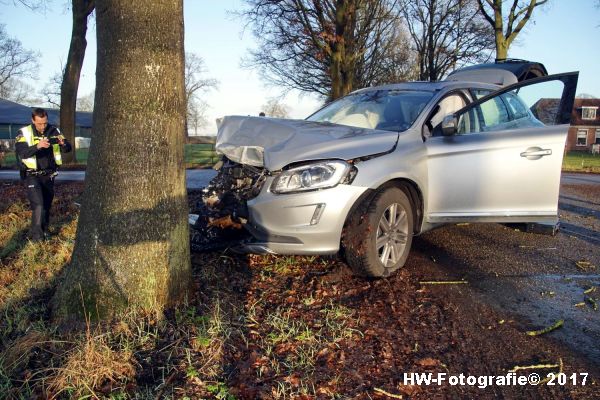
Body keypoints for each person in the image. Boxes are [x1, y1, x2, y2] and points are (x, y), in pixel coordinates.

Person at [15, 108, 72, 241]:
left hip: (49, 175)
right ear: (33, 120)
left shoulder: (54, 130)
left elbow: (68, 148)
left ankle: (44, 230)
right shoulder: (24, 133)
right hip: (32, 175)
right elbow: (23, 153)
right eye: (39, 123)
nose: (43, 126)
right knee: (38, 205)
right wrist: (38, 146)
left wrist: (64, 144)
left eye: (45, 123)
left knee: (46, 205)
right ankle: (36, 238)